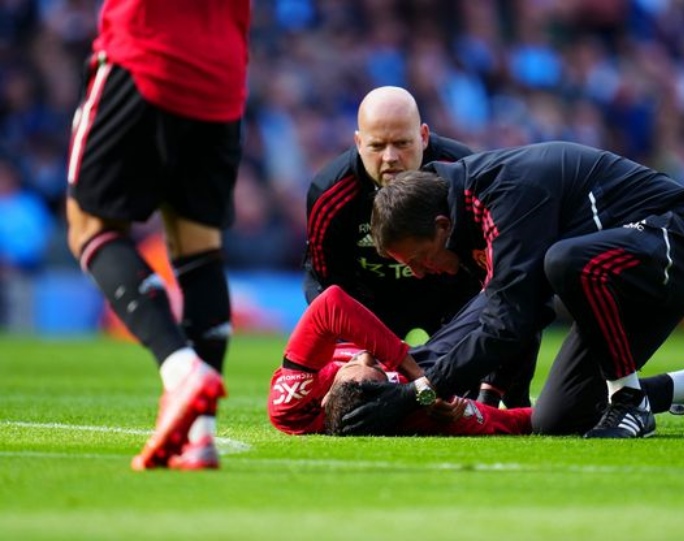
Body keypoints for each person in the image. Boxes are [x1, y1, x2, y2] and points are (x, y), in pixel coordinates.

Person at [340, 141, 684, 439]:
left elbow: (511, 319)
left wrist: (416, 394)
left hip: (682, 238)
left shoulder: (504, 193)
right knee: (557, 418)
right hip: (622, 279)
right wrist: (486, 401)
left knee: (566, 261)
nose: (421, 273)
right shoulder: (466, 219)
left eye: (419, 258)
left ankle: (630, 403)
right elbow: (514, 308)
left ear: (442, 226)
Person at [65, 0, 250, 470]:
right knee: (199, 247)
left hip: (146, 52)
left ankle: (180, 369)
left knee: (89, 226)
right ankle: (200, 436)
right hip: (222, 71)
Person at [303, 86, 479, 341]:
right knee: (357, 378)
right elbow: (327, 285)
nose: (390, 157)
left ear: (424, 136)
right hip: (368, 302)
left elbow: (485, 263)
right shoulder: (329, 194)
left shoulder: (464, 170)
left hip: (451, 297)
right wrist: (356, 347)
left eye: (401, 143)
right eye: (377, 145)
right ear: (359, 143)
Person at [268, 285, 533, 436]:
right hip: (424, 378)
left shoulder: (292, 407)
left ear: (325, 398)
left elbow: (330, 302)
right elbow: (513, 422)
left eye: (351, 366)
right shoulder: (417, 415)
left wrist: (415, 376)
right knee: (513, 297)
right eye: (378, 370)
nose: (366, 355)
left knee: (506, 288)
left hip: (414, 371)